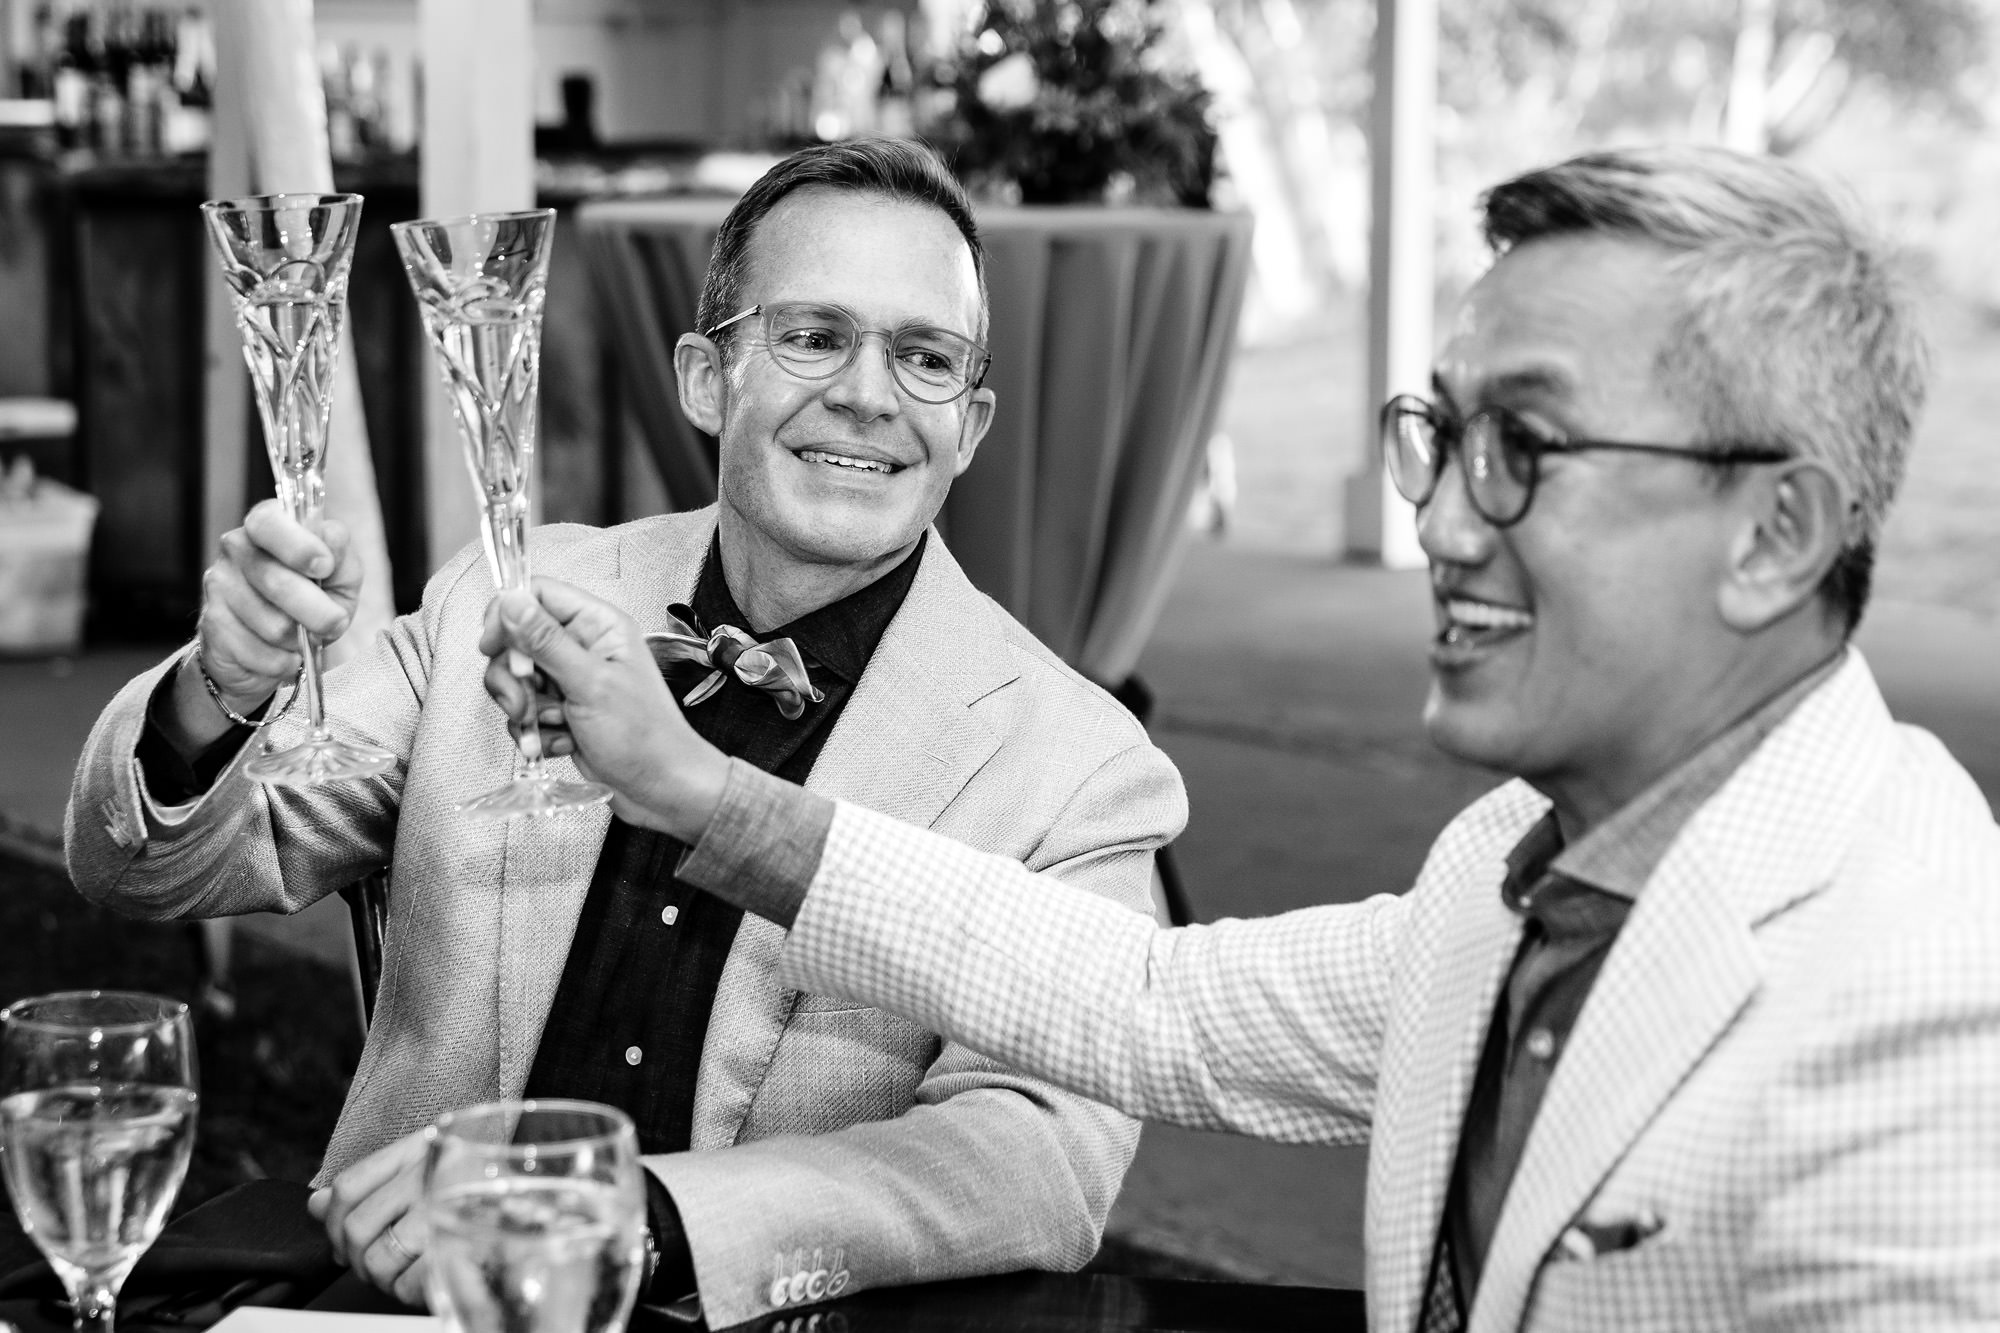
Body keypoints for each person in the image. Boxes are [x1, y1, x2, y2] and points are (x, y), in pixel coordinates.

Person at [484, 145, 2000, 1331]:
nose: (1443, 521)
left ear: (1775, 534)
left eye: (1523, 448)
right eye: (1443, 435)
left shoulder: (1926, 1001)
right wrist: (702, 790)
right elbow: (1151, 1004)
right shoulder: (1509, 874)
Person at [65, 140, 1185, 1328]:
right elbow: (142, 869)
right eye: (812, 335)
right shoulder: (504, 598)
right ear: (705, 378)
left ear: (970, 420)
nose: (868, 392)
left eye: (924, 357)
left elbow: (1039, 1159)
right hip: (401, 1304)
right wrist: (220, 691)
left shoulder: (1078, 764)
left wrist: (655, 1211)